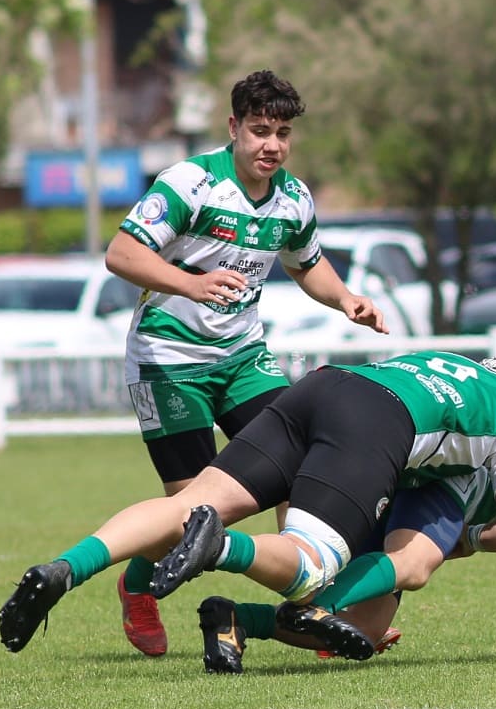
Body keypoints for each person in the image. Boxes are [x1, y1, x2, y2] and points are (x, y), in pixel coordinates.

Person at [0, 351, 496, 660]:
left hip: (328, 385)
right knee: (311, 568)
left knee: (191, 502)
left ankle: (65, 568)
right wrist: (470, 537)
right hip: (377, 422)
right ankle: (222, 547)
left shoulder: (441, 362)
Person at [104, 69, 386, 657]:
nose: (272, 145)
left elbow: (305, 263)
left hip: (243, 358)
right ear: (233, 127)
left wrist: (346, 298)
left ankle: (309, 610)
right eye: (259, 130)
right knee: (194, 514)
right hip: (170, 357)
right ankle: (137, 586)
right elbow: (122, 253)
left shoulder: (293, 197)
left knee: (302, 466)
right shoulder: (190, 183)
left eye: (282, 132)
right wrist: (192, 283)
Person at [195, 415, 496, 674]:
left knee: (362, 632)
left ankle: (237, 617)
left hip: (424, 489)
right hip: (440, 486)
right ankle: (232, 552)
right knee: (411, 568)